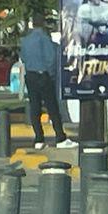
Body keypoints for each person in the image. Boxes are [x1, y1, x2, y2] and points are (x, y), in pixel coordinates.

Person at [19, 16, 72, 149]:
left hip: (30, 76)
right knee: (52, 107)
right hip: (44, 75)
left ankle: (39, 139)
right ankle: (60, 137)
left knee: (35, 108)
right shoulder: (44, 38)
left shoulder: (25, 40)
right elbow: (51, 57)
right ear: (43, 24)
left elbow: (23, 58)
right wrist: (52, 74)